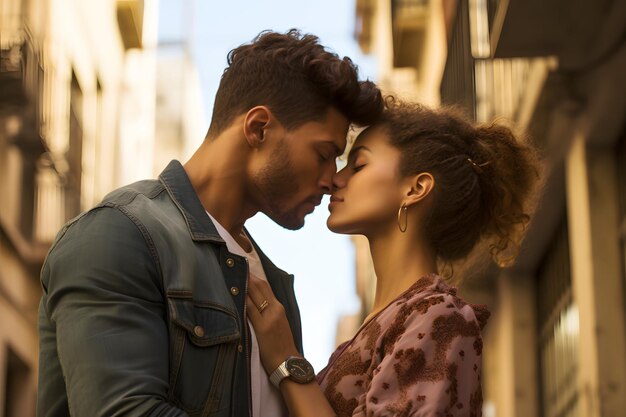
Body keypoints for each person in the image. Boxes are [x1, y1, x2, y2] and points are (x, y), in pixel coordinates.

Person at [37, 29, 383, 417]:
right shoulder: (121, 234)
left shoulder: (274, 285)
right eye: (324, 154)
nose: (332, 178)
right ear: (258, 129)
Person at [246, 99, 540, 416]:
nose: (335, 180)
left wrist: (286, 362)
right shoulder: (394, 319)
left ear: (415, 188)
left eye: (358, 166)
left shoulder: (440, 316)